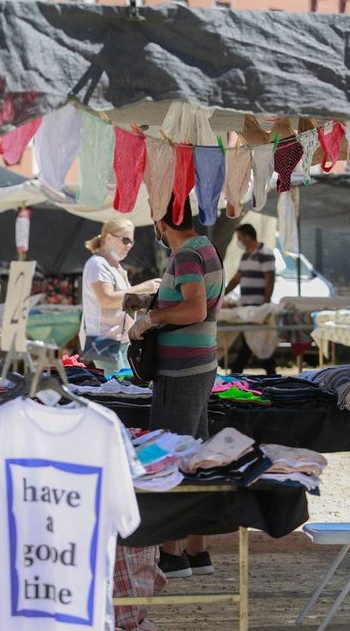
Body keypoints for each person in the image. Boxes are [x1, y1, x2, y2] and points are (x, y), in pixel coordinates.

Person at [129, 201, 225, 578]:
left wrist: (150, 319)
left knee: (169, 456)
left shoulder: (185, 255)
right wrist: (153, 303)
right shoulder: (204, 248)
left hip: (182, 370)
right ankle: (197, 550)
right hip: (199, 363)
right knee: (196, 454)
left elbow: (194, 309)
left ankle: (172, 552)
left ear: (163, 221)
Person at [79, 218, 160, 373]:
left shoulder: (116, 267)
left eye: (131, 242)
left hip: (120, 341)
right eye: (125, 240)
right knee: (118, 388)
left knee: (125, 388)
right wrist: (144, 288)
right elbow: (107, 299)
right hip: (102, 341)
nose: (129, 246)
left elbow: (122, 303)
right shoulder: (97, 264)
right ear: (108, 238)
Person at [223, 223, 277, 375]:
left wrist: (265, 303)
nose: (239, 241)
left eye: (240, 238)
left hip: (257, 305)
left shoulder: (265, 253)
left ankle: (238, 370)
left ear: (247, 237)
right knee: (252, 338)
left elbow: (270, 280)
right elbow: (237, 278)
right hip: (246, 305)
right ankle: (269, 370)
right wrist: (223, 293)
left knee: (252, 338)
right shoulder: (246, 255)